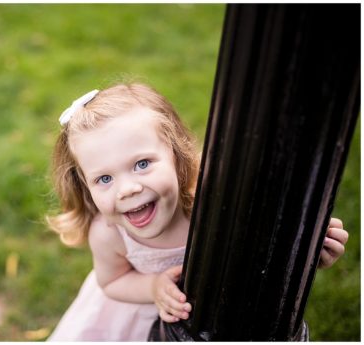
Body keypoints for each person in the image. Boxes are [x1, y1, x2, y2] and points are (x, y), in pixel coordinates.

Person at [44, 83, 349, 341]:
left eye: (142, 164)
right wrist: (152, 287)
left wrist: (306, 251)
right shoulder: (109, 234)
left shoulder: (216, 201)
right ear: (85, 186)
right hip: (129, 325)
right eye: (105, 179)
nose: (127, 189)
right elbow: (111, 282)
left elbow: (262, 246)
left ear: (176, 156)